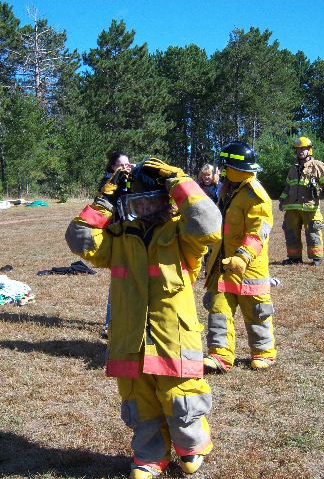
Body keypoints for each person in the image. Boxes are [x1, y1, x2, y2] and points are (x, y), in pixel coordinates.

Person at [66, 158, 222, 479]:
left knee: (181, 400)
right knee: (140, 404)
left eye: (151, 201)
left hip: (173, 338)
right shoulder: (119, 238)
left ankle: (192, 447)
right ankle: (150, 456)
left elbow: (208, 223)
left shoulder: (181, 233)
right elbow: (78, 238)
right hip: (130, 339)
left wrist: (177, 179)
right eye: (137, 202)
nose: (145, 209)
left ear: (165, 200)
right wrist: (103, 201)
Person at [202, 141, 277, 373]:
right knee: (219, 310)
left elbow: (259, 231)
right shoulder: (228, 189)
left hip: (248, 267)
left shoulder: (255, 194)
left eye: (225, 166)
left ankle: (263, 353)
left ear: (233, 167)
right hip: (223, 265)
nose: (222, 170)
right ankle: (220, 355)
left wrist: (243, 256)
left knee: (257, 312)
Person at [279, 136, 324, 266]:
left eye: (303, 149)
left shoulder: (317, 166)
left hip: (310, 207)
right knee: (291, 233)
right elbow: (287, 187)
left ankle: (316, 258)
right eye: (298, 149)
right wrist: (282, 200)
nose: (300, 151)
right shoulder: (293, 169)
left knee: (313, 232)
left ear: (309, 150)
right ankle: (294, 258)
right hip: (292, 208)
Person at [99, 150, 133, 339]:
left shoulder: (129, 178)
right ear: (113, 166)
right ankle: (109, 324)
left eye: (128, 164)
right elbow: (105, 197)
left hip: (132, 233)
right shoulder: (108, 182)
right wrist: (118, 178)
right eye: (122, 165)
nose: (126, 167)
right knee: (118, 281)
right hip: (117, 235)